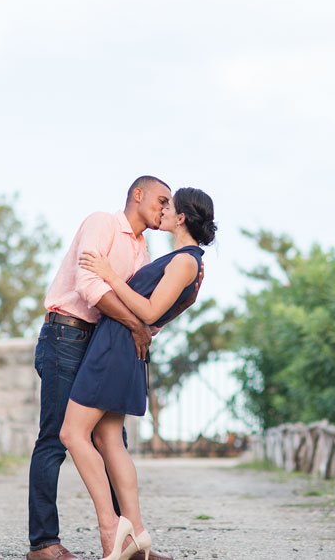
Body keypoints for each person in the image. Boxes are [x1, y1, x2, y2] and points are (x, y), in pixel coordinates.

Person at [28, 175, 192, 560]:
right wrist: (138, 325)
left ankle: (130, 539)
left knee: (113, 440)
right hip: (66, 336)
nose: (165, 209)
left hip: (100, 345)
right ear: (138, 195)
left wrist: (158, 315)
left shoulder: (143, 250)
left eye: (170, 204)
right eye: (160, 200)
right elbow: (90, 286)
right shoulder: (102, 223)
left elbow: (142, 302)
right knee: (55, 438)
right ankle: (44, 543)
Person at [60, 187, 216, 560]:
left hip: (116, 347)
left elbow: (148, 312)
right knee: (110, 439)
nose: (162, 210)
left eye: (168, 205)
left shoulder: (185, 261)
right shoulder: (182, 259)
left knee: (72, 432)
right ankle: (137, 532)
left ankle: (112, 528)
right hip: (122, 347)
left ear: (181, 218)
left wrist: (109, 275)